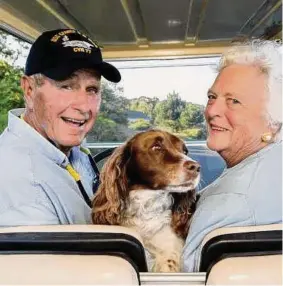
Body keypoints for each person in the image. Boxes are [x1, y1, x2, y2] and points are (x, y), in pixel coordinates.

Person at [0, 28, 121, 226]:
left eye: (92, 89)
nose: (83, 106)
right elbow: (49, 258)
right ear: (29, 90)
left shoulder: (65, 150)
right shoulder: (24, 183)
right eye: (66, 86)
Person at [182, 39, 282, 272]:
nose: (211, 111)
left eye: (233, 101)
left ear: (274, 121)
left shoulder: (231, 203)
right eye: (211, 97)